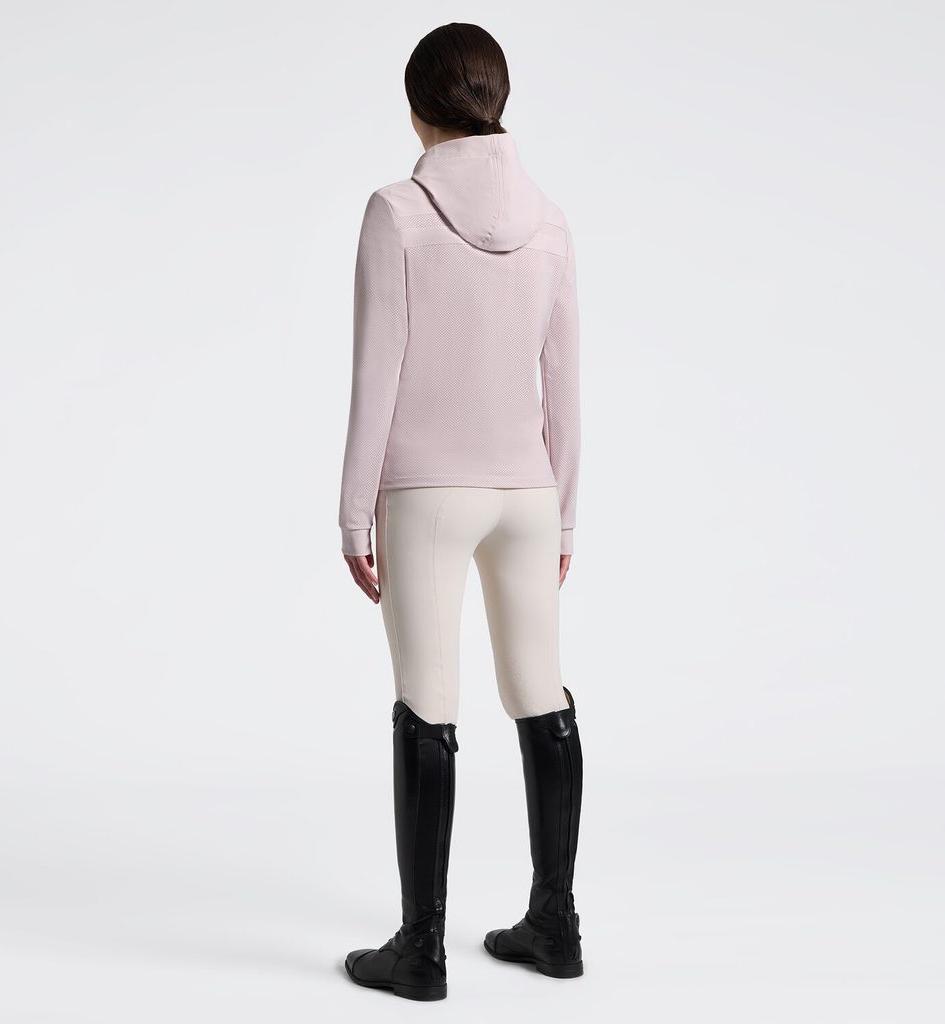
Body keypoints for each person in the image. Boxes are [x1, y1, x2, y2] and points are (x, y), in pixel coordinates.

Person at [338, 22, 585, 1001]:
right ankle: (554, 925)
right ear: (498, 102)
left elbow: (376, 371)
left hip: (426, 492)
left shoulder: (396, 212)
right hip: (527, 492)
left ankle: (420, 948)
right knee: (541, 694)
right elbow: (565, 384)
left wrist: (353, 514)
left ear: (417, 110)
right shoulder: (551, 220)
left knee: (427, 702)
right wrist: (565, 516)